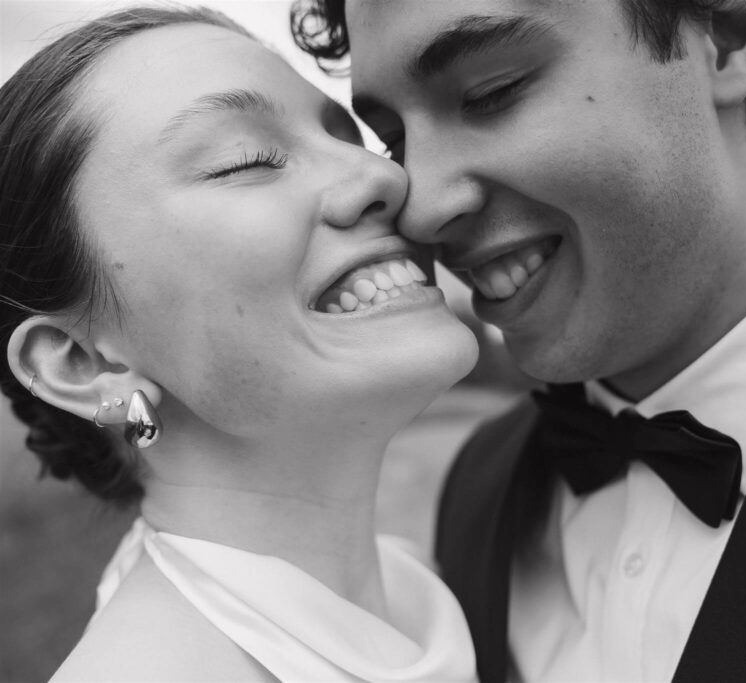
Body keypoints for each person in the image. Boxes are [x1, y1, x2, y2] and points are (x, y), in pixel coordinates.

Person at [291, 1, 746, 681]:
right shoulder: (480, 482)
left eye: (491, 92)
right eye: (394, 139)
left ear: (725, 35)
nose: (419, 208)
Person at [0, 6, 480, 681]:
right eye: (244, 160)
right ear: (83, 363)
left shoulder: (430, 580)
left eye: (356, 140)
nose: (387, 177)